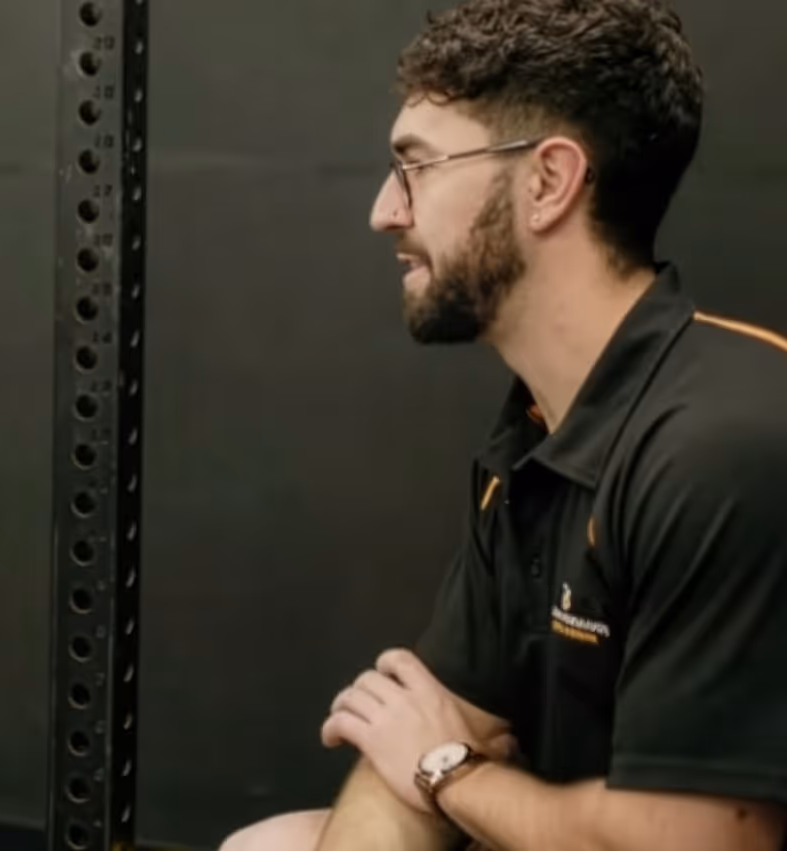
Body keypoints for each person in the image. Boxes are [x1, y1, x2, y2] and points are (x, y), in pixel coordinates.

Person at [224, 1, 787, 849]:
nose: (384, 210)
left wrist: (451, 770)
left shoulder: (724, 446)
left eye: (415, 166)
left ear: (549, 181)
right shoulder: (536, 431)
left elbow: (689, 844)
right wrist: (439, 758)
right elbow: (432, 724)